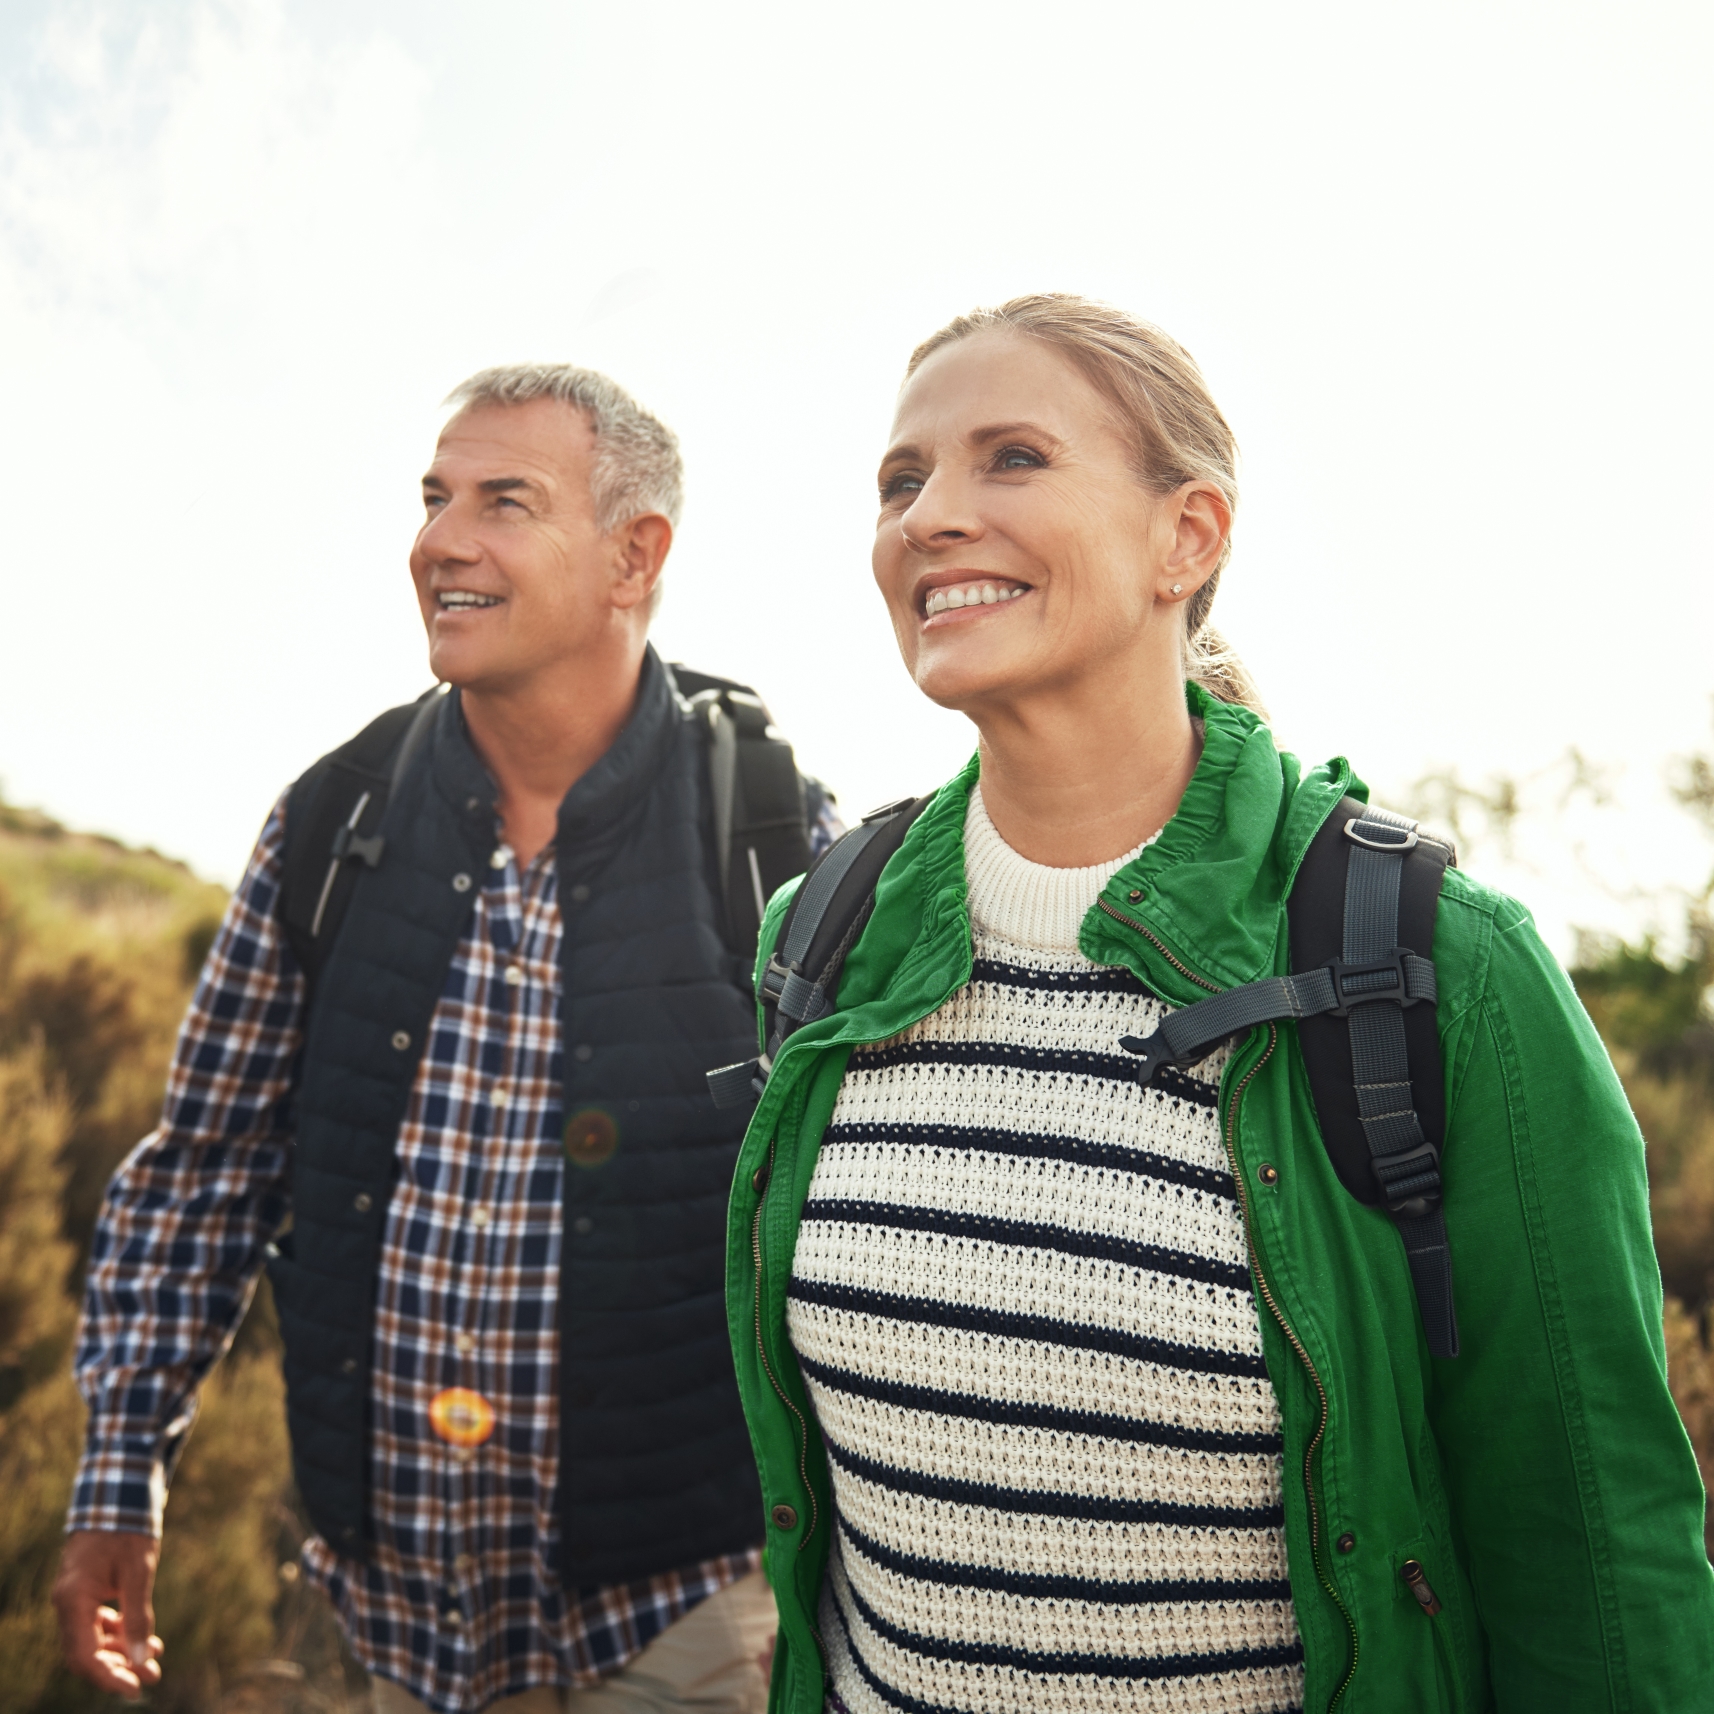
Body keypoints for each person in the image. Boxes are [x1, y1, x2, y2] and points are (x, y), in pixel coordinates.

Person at [725, 295, 1714, 1712]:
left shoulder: (1442, 966)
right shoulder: (818, 937)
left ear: (1185, 537)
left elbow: (1597, 1573)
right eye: (901, 478)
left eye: (1010, 457)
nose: (929, 515)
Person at [55, 363, 838, 1713]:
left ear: (632, 556)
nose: (438, 539)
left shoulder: (768, 827)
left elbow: (849, 1214)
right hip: (395, 1624)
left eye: (503, 500)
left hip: (684, 1614)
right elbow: (202, 1172)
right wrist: (121, 1471)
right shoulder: (331, 820)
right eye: (433, 497)